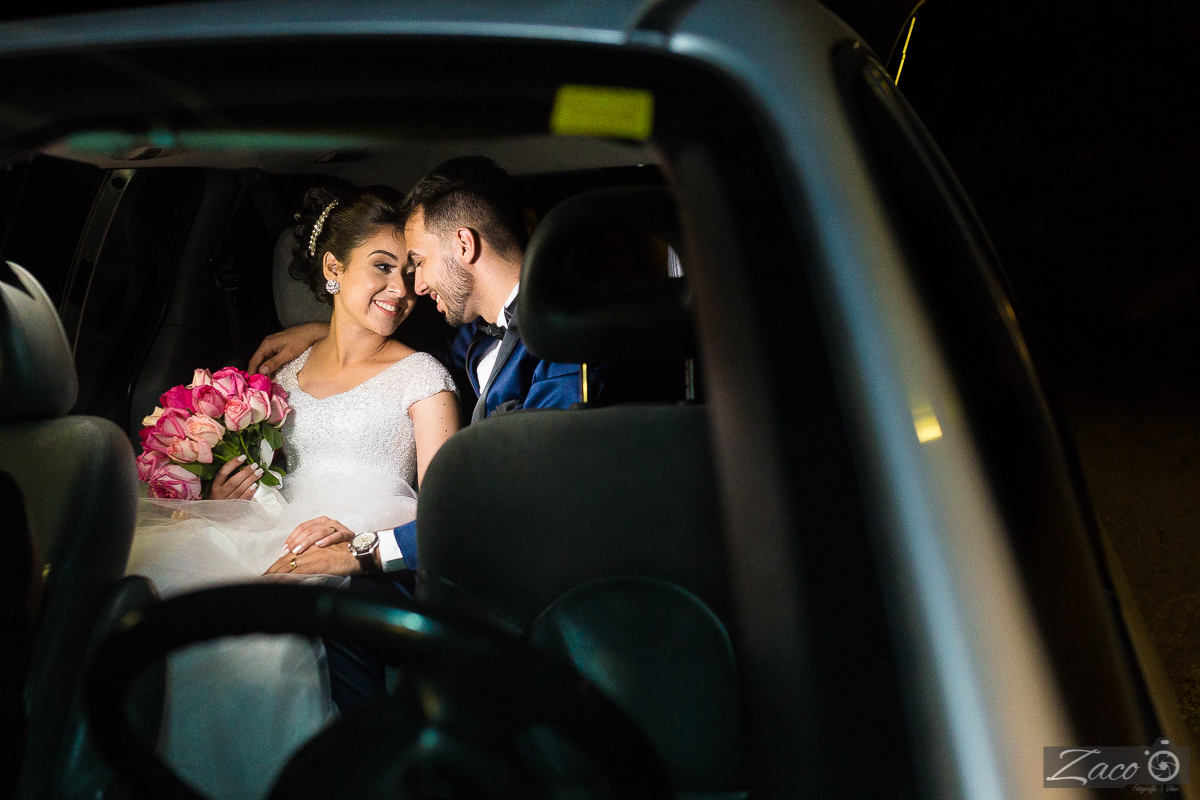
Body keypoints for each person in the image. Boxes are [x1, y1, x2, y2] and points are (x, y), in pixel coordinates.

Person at [125, 185, 459, 800]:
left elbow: (446, 512)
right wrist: (228, 490)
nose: (401, 289)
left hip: (363, 535)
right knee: (164, 593)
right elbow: (272, 477)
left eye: (410, 271)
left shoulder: (424, 377)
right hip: (272, 526)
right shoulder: (282, 374)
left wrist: (361, 544)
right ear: (333, 268)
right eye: (382, 267)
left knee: (258, 640)